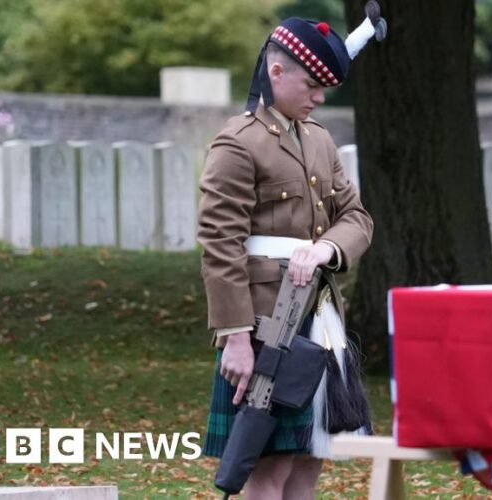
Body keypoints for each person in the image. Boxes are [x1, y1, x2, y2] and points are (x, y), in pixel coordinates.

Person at [196, 6, 385, 499]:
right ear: (276, 72)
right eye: (312, 85)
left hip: (318, 320)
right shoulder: (237, 144)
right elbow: (219, 244)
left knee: (308, 462)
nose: (320, 98)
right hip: (263, 325)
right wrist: (235, 337)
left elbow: (357, 219)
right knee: (268, 468)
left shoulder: (320, 140)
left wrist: (326, 248)